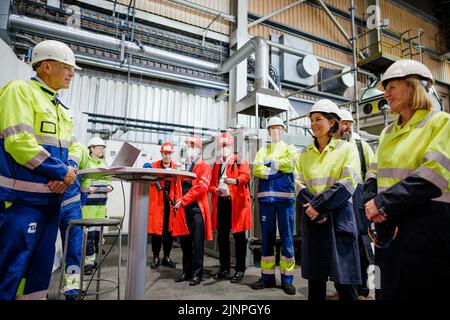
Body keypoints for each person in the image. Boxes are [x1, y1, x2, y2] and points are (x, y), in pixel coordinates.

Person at [364, 59, 450, 300]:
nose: (386, 94)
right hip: (386, 227)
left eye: (392, 87)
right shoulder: (387, 132)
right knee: (385, 289)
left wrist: (382, 204)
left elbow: (433, 176)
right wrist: (371, 204)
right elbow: (372, 174)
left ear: (413, 87)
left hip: (426, 228)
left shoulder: (440, 122)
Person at [0, 39, 79, 300]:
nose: (72, 73)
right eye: (66, 66)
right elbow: (19, 143)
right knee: (11, 267)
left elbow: (71, 149)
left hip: (51, 202)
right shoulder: (19, 91)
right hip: (21, 202)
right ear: (45, 66)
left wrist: (67, 173)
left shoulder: (61, 109)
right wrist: (60, 173)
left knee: (40, 270)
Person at [295, 99, 362, 301]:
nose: (313, 123)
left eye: (318, 119)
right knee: (315, 280)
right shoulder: (304, 153)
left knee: (344, 281)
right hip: (313, 219)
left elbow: (349, 182)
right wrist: (315, 209)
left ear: (332, 122)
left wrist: (319, 207)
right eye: (311, 120)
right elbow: (298, 184)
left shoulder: (346, 149)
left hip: (338, 217)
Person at [251, 116, 297, 296]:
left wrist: (269, 167)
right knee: (267, 240)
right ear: (268, 132)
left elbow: (291, 164)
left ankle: (287, 280)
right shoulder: (263, 150)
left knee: (287, 239)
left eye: (278, 128)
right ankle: (267, 277)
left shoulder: (290, 148)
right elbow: (256, 169)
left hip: (285, 200)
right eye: (272, 129)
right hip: (266, 201)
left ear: (283, 131)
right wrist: (277, 169)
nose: (275, 131)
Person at [335, 108, 375, 300]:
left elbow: (372, 171)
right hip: (341, 198)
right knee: (343, 245)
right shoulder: (334, 146)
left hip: (359, 198)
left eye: (350, 123)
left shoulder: (361, 146)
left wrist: (367, 197)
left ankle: (364, 291)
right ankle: (344, 288)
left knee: (362, 244)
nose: (348, 126)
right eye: (344, 123)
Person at [209, 132, 252, 283]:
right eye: (221, 146)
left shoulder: (239, 160)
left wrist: (235, 181)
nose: (223, 148)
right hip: (221, 202)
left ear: (232, 146)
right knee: (222, 236)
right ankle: (224, 268)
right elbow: (212, 183)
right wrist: (214, 189)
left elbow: (246, 175)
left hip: (236, 203)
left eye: (226, 145)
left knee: (240, 237)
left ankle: (240, 269)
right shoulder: (217, 164)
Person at [172, 136, 213, 286]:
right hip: (184, 210)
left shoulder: (205, 167)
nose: (190, 149)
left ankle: (197, 274)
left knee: (197, 244)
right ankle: (186, 271)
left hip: (197, 210)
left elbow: (201, 188)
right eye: (188, 146)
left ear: (199, 149)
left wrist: (183, 200)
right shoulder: (184, 166)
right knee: (185, 243)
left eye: (193, 146)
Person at [59, 141, 90, 299]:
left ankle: (72, 289)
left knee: (74, 248)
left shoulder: (79, 147)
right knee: (40, 249)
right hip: (47, 200)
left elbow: (86, 176)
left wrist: (81, 200)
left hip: (72, 206)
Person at [80, 137, 113, 275]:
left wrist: (109, 187)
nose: (102, 150)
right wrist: (89, 189)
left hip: (101, 207)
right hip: (89, 207)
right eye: (99, 147)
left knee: (97, 237)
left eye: (103, 148)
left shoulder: (104, 164)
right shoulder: (86, 164)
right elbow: (81, 184)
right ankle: (87, 263)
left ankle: (93, 260)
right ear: (91, 148)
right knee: (89, 236)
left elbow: (109, 182)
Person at [145, 142, 178, 269]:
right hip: (157, 205)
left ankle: (166, 257)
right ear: (161, 153)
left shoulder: (175, 167)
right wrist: (147, 167)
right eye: (165, 153)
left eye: (169, 153)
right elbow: (145, 171)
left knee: (168, 233)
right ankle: (156, 257)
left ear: (172, 154)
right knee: (156, 233)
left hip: (170, 205)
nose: (167, 156)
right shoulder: (154, 166)